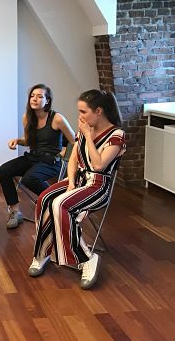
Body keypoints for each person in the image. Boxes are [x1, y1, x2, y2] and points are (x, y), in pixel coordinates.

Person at [28, 89, 125, 290]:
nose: (80, 117)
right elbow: (73, 159)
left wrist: (89, 137)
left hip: (98, 186)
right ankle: (44, 252)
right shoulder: (83, 129)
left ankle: (87, 258)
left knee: (61, 204)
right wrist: (70, 182)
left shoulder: (117, 135)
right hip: (77, 180)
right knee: (45, 198)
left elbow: (98, 165)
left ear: (98, 111)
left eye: (83, 112)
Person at [0, 84, 75, 229]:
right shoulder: (27, 117)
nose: (35, 99)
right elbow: (29, 140)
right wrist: (18, 140)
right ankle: (15, 212)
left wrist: (65, 154)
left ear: (47, 101)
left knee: (29, 179)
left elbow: (74, 140)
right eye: (32, 96)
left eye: (40, 96)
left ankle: (56, 202)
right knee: (4, 170)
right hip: (33, 157)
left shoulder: (57, 118)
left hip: (51, 161)